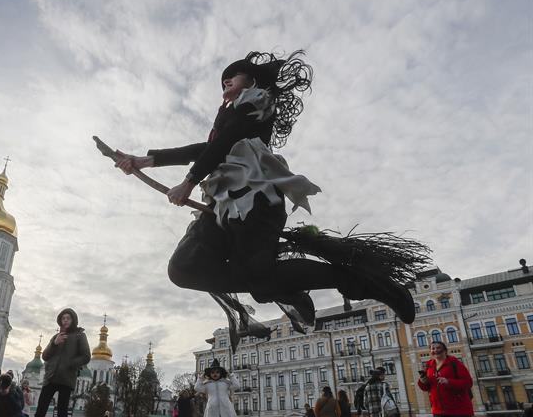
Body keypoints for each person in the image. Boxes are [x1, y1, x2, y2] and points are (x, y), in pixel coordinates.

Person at [114, 51, 425, 353]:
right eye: (222, 83)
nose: (225, 85)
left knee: (259, 282)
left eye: (230, 78)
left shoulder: (257, 102)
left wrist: (189, 182)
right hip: (224, 204)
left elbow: (225, 144)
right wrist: (144, 160)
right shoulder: (228, 114)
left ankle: (366, 284)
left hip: (256, 200)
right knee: (183, 269)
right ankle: (278, 284)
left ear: (251, 79)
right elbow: (205, 147)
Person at [17, 308, 91, 417]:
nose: (65, 321)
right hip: (50, 378)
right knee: (40, 413)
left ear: (73, 320)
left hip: (66, 379)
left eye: (68, 318)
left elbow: (86, 356)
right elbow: (45, 356)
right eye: (63, 318)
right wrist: (54, 343)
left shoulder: (79, 336)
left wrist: (70, 364)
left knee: (62, 414)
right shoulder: (56, 336)